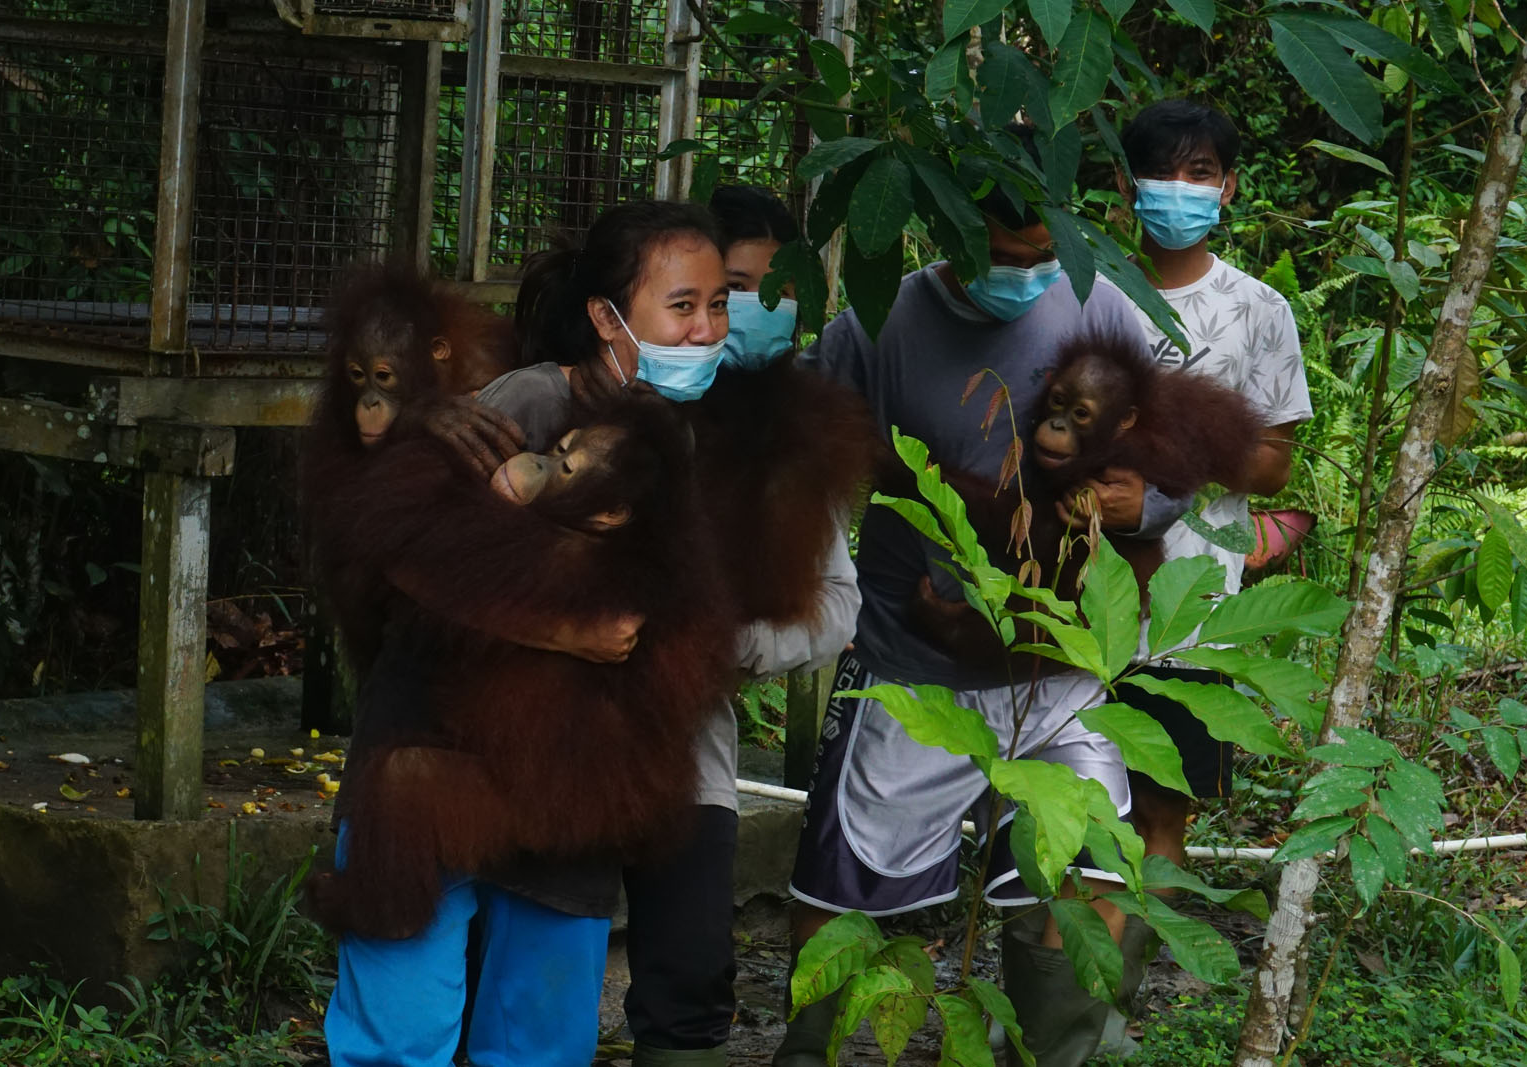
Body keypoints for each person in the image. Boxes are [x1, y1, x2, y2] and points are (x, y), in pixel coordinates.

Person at [774, 127, 1193, 1067]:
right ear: (946, 230)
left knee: (1078, 880)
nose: (1022, 275)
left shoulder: (1101, 307)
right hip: (910, 664)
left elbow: (1178, 458)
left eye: (1040, 254)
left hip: (1061, 665)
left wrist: (1144, 498)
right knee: (844, 893)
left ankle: (1053, 1052)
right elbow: (805, 469)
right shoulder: (876, 326)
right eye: (999, 259)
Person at [320, 201, 736, 1067]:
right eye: (682, 306)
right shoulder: (523, 402)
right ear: (607, 317)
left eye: (718, 305)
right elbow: (386, 554)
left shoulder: (690, 442)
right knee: (400, 1031)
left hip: (569, 790)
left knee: (538, 1041)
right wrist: (562, 629)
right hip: (433, 759)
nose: (704, 330)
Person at [488, 191, 865, 1067]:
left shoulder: (776, 434)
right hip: (544, 739)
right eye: (715, 292)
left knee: (690, 981)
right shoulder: (547, 400)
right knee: (528, 982)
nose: (722, 323)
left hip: (687, 751)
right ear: (627, 308)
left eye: (739, 302)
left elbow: (836, 600)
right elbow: (443, 548)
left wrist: (715, 637)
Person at [1108, 98, 1311, 1023]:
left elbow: (1273, 459)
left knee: (1163, 809)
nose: (1180, 192)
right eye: (1162, 172)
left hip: (1197, 604)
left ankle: (1104, 1004)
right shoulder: (1083, 291)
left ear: (1229, 189)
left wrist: (1169, 440)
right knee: (1073, 795)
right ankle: (1050, 994)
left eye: (1201, 174)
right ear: (1123, 185)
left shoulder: (1258, 310)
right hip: (1075, 596)